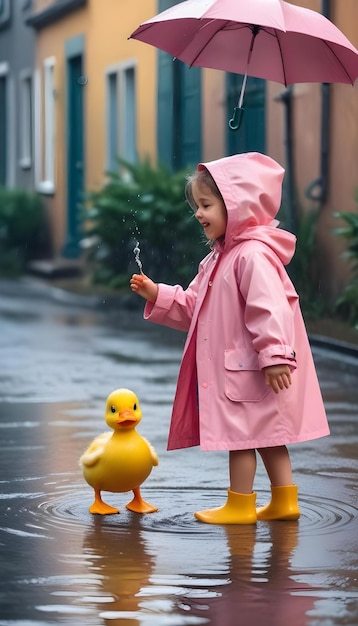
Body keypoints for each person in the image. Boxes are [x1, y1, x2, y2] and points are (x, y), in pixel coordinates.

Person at [130, 152, 330, 525]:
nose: (199, 214)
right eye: (197, 207)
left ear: (237, 206)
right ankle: (285, 500)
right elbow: (194, 308)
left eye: (206, 205)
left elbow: (268, 309)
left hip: (254, 366)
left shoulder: (251, 256)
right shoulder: (218, 259)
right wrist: (158, 293)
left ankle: (240, 504)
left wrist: (273, 356)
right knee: (269, 435)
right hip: (248, 367)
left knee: (241, 438)